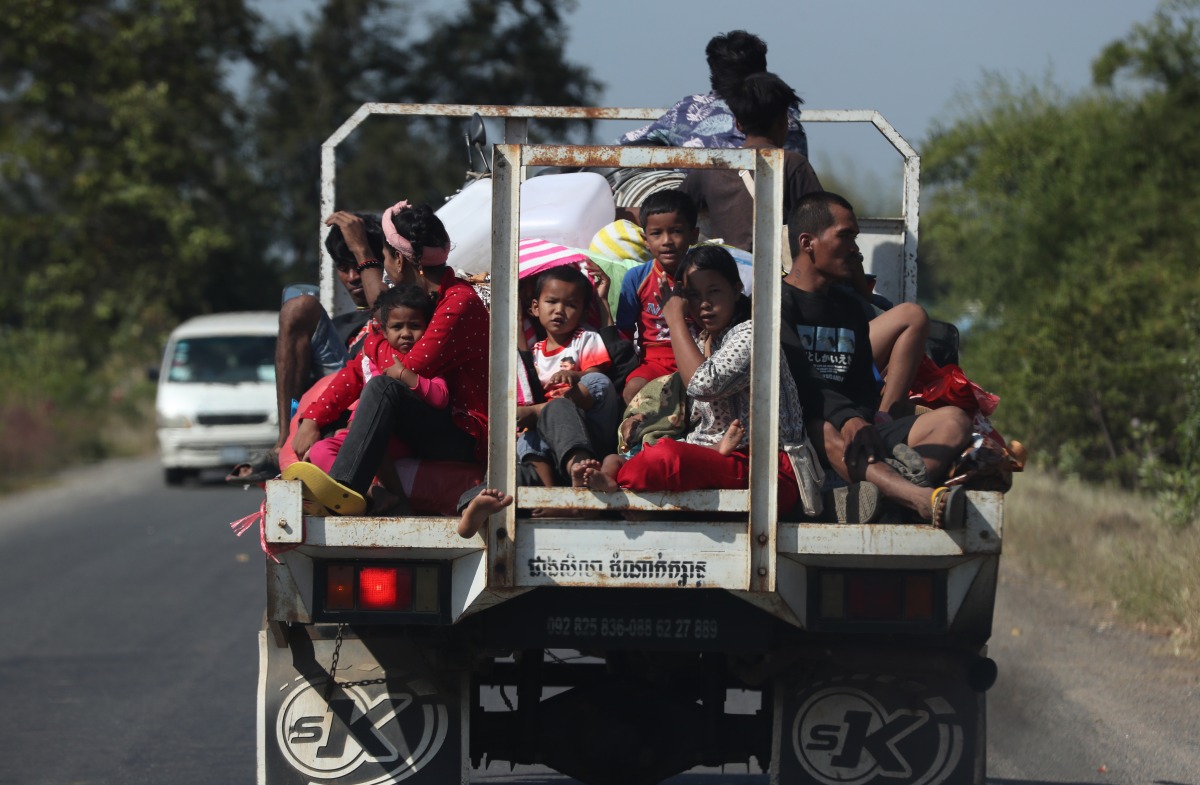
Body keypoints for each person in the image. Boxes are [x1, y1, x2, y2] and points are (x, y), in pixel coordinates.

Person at [577, 245, 835, 517]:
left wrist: (674, 317)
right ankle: (613, 485)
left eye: (714, 291)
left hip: (767, 470)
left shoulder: (752, 334)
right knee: (619, 459)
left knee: (663, 458)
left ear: (736, 290)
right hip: (714, 457)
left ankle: (619, 487)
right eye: (694, 295)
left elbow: (703, 384)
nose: (704, 304)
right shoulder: (702, 342)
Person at [283, 202, 489, 516]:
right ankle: (371, 494)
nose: (386, 270)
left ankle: (344, 488)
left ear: (398, 260)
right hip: (431, 419)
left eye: (385, 259)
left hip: (465, 430)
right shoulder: (425, 300)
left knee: (381, 388)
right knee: (334, 435)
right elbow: (356, 369)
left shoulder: (458, 301)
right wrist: (313, 418)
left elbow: (405, 369)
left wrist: (377, 335)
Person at [780, 191, 973, 527]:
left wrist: (867, 417)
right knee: (822, 428)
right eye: (845, 236)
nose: (855, 248)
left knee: (954, 421)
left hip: (859, 432)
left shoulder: (851, 306)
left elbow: (863, 382)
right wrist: (847, 418)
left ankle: (883, 493)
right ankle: (918, 500)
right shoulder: (775, 304)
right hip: (809, 432)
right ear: (808, 243)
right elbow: (800, 384)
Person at [226, 214, 385, 483]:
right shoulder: (342, 326)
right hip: (332, 391)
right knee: (298, 300)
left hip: (370, 390)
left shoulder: (402, 311)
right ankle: (283, 443)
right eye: (343, 268)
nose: (352, 277)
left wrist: (363, 249)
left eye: (358, 266)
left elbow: (387, 314)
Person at [294, 285, 448, 511]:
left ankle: (372, 495)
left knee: (372, 436)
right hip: (360, 434)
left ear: (428, 329)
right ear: (384, 331)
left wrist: (406, 376)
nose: (406, 333)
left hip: (400, 437)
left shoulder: (430, 358)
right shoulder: (370, 354)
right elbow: (342, 387)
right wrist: (312, 419)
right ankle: (373, 494)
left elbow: (441, 397)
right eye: (397, 327)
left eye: (414, 326)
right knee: (319, 451)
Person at [681, 71, 823, 253]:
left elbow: (674, 209)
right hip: (777, 274)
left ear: (738, 124)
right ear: (783, 123)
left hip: (727, 272)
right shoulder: (792, 164)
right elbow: (820, 221)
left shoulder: (711, 168)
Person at [619, 30, 808, 156]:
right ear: (763, 72)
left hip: (691, 209)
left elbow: (623, 145)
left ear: (714, 72)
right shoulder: (784, 115)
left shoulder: (688, 109)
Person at [516, 265, 622, 487]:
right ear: (534, 308)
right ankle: (549, 494)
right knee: (528, 438)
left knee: (597, 382)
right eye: (551, 302)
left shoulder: (586, 339)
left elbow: (596, 378)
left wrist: (575, 375)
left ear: (583, 313)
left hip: (591, 424)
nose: (559, 310)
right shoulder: (535, 353)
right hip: (556, 433)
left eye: (570, 305)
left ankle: (581, 466)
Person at [614, 190, 701, 404]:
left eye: (676, 231)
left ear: (694, 235)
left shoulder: (703, 276)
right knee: (632, 391)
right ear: (645, 239)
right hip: (653, 363)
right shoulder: (636, 278)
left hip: (697, 357)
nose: (667, 241)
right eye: (656, 233)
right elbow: (625, 332)